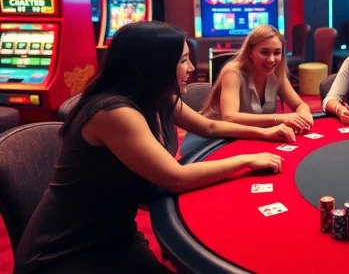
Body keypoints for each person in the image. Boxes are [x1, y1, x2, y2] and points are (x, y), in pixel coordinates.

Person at [14, 22, 294, 274]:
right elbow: (176, 177)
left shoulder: (158, 96)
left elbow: (209, 127)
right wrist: (246, 160)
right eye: (183, 60)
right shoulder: (114, 112)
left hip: (117, 231)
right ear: (154, 65)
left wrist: (264, 132)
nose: (191, 68)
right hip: (67, 249)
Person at [181, 25, 313, 156]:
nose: (272, 59)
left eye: (277, 52)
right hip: (210, 138)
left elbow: (300, 104)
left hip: (247, 135)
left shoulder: (277, 72)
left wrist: (302, 117)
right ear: (250, 52)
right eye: (264, 52)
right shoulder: (233, 73)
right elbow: (230, 117)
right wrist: (279, 118)